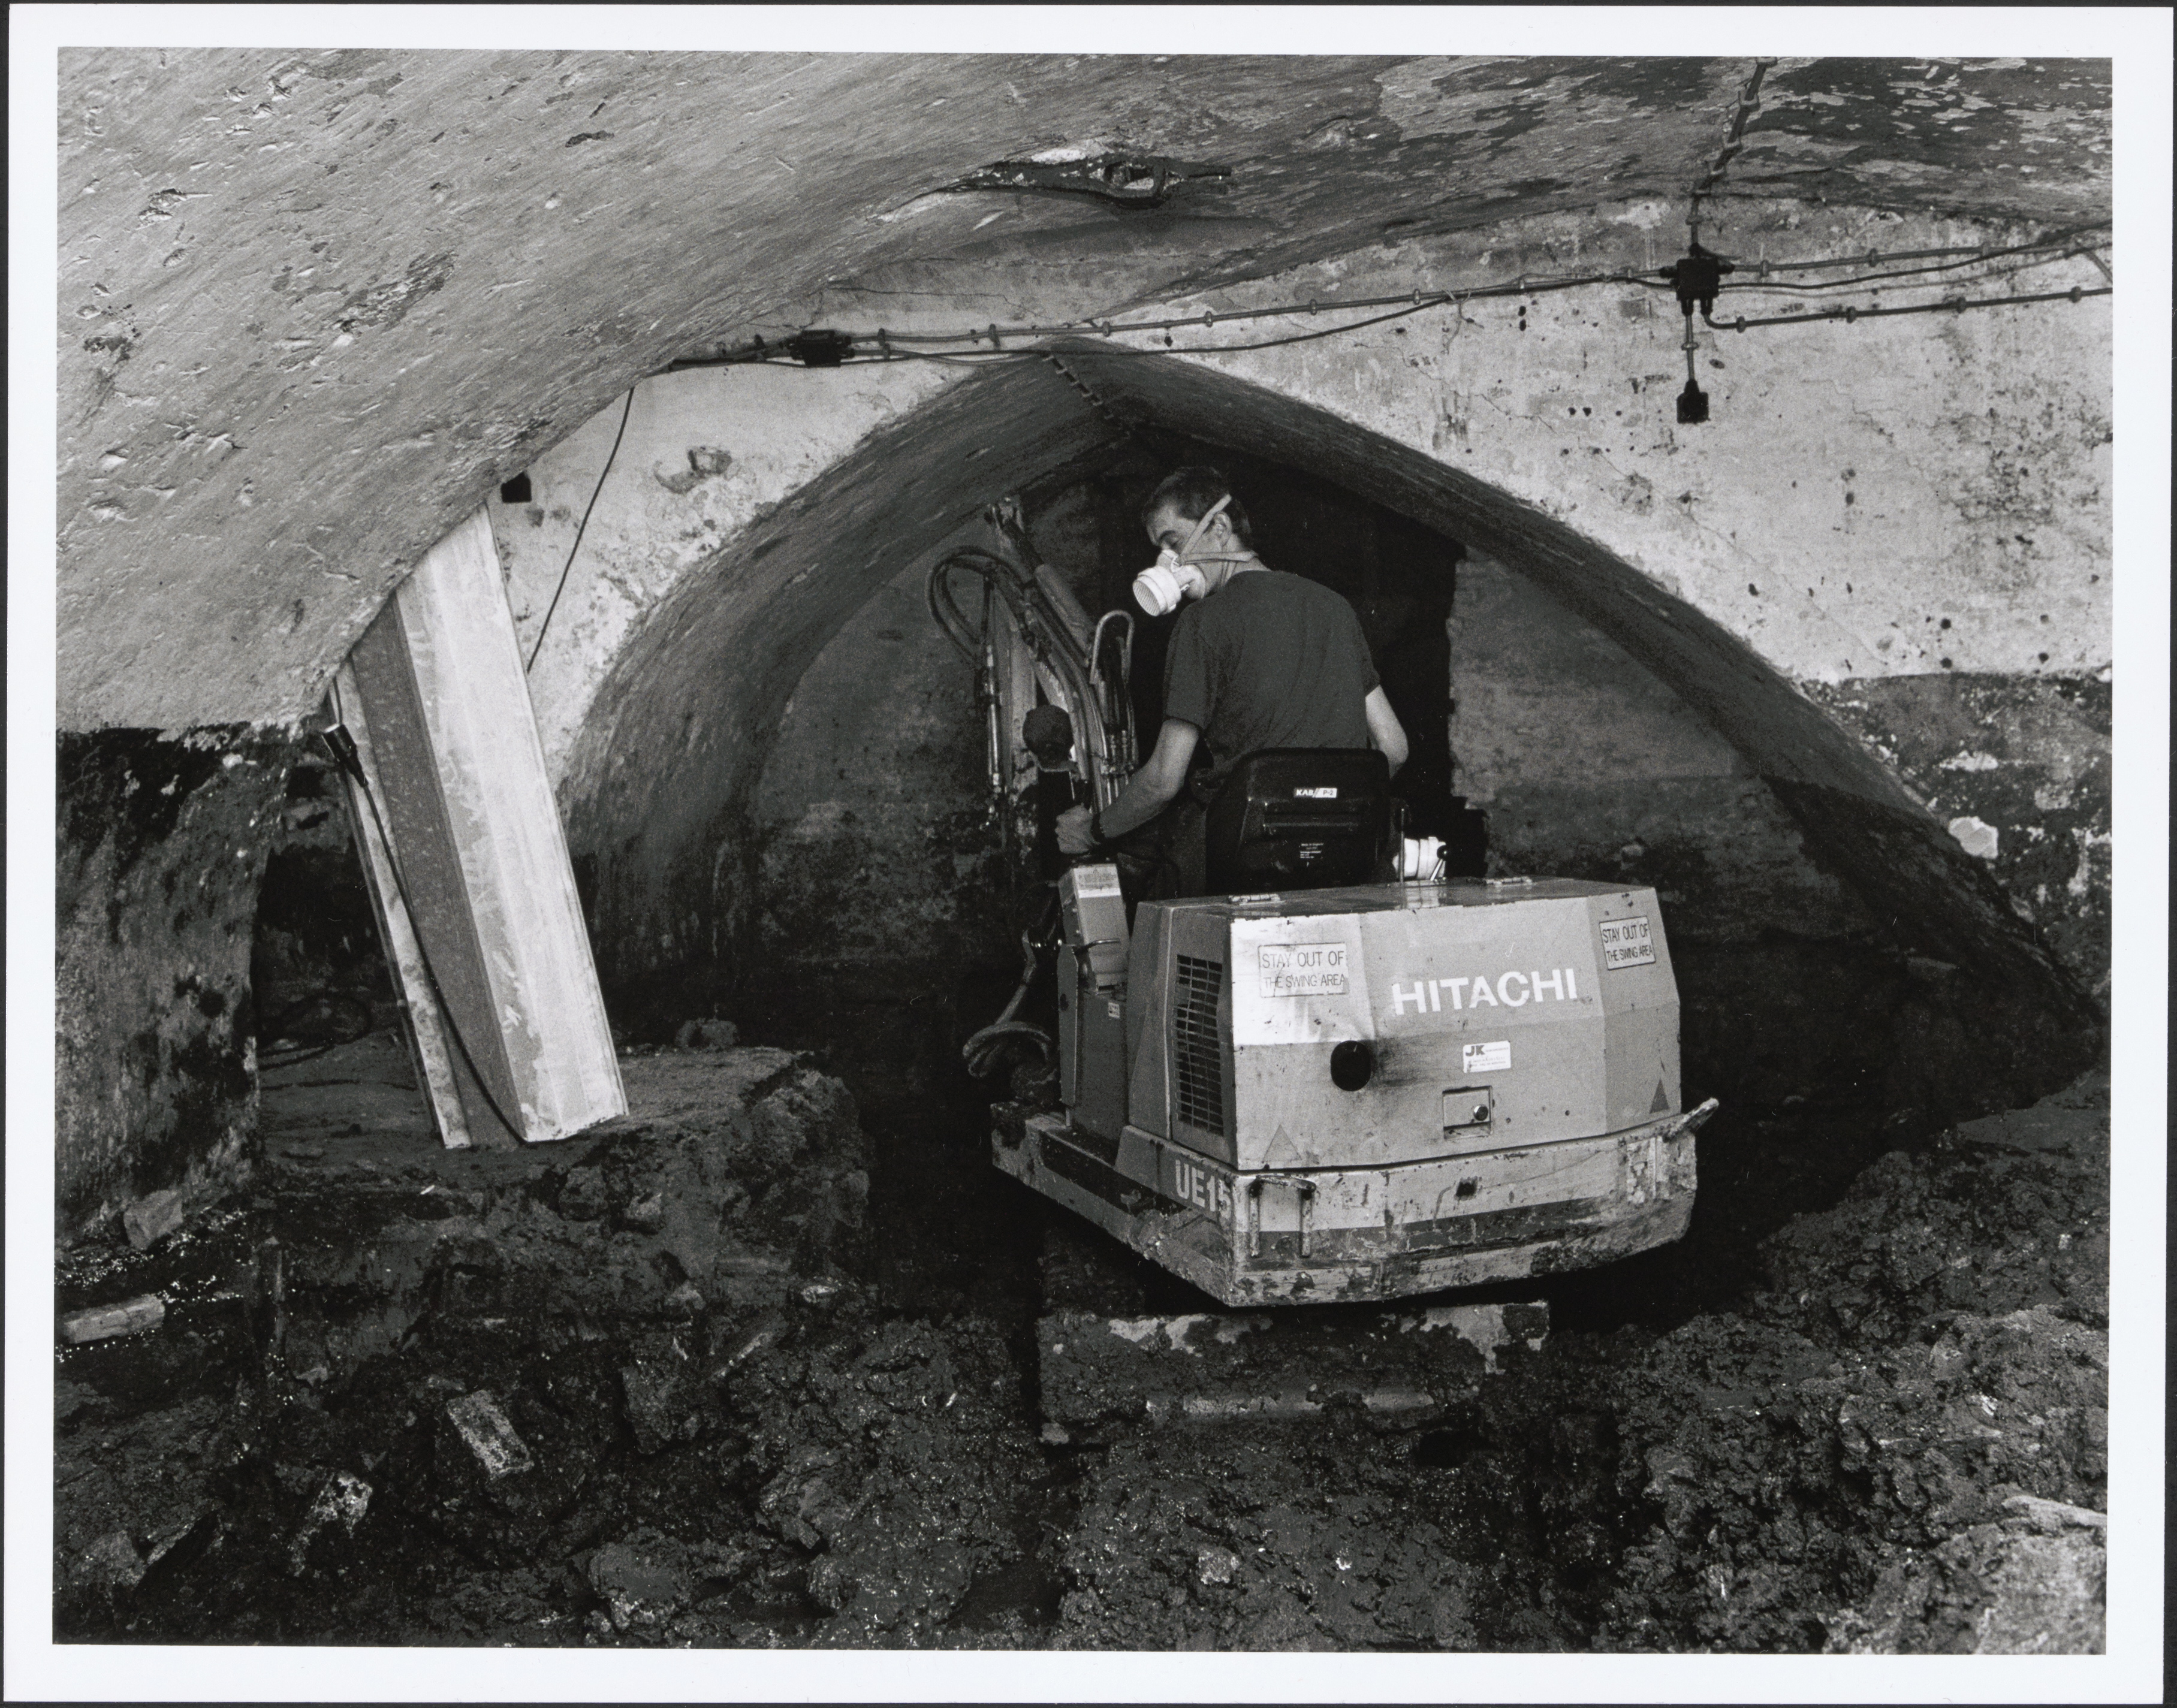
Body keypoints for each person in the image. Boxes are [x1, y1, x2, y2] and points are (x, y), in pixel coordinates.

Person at [1056, 466, 1408, 894]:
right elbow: (1394, 748)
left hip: (1248, 860)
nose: (1167, 563)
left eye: (1173, 543)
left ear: (1220, 528)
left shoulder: (1202, 623)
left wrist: (1092, 831)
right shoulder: (1335, 607)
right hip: (1347, 856)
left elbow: (1164, 781)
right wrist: (1326, 805)